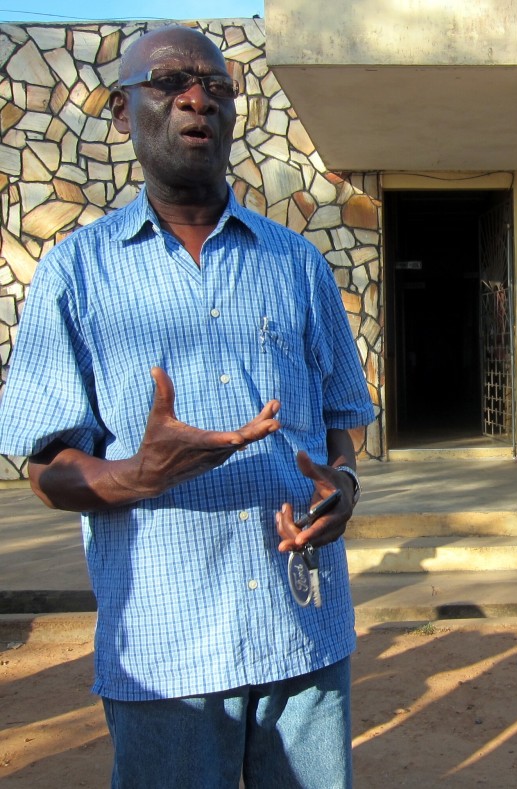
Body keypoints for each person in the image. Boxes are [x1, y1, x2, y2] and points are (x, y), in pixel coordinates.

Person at [0, 26, 374, 787]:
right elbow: (43, 467)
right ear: (120, 111)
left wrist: (344, 485)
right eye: (169, 83)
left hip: (303, 633)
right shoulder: (77, 272)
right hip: (168, 653)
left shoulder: (296, 262)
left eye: (215, 87)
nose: (197, 98)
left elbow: (342, 419)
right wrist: (138, 474)